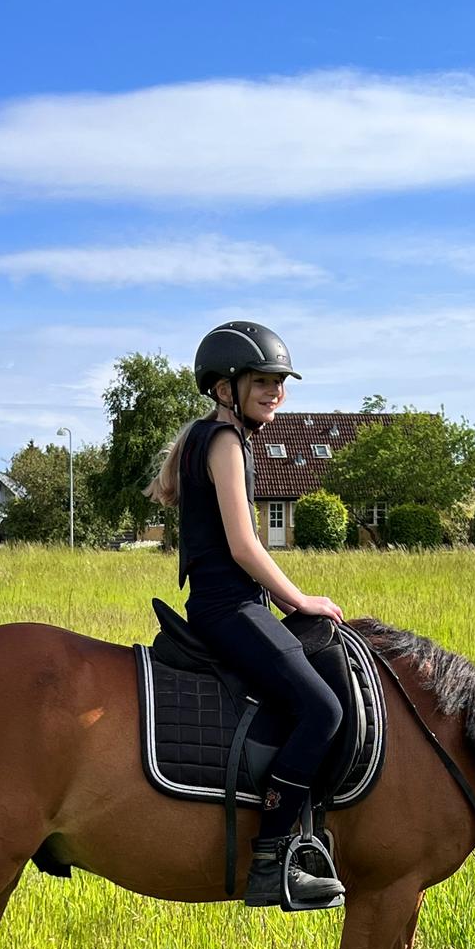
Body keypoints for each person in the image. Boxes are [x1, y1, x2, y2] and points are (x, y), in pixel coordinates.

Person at [148, 321, 346, 911]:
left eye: (280, 382)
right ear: (223, 388)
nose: (275, 391)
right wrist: (299, 600)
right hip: (228, 608)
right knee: (322, 708)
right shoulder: (226, 443)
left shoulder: (211, 438)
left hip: (225, 605)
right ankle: (272, 857)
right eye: (261, 381)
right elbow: (244, 544)